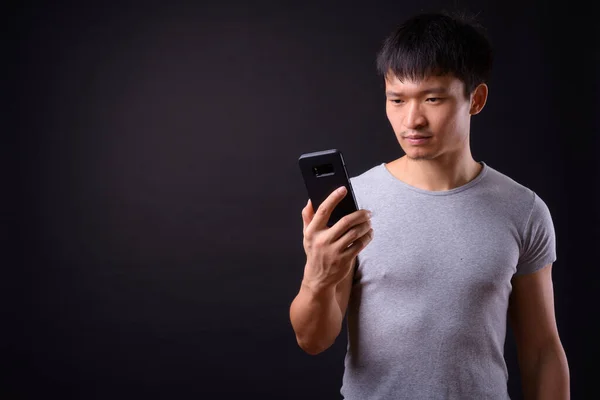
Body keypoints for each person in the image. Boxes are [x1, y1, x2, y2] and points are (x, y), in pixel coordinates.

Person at [289, 10, 570, 400]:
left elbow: (541, 350)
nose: (412, 119)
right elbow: (313, 340)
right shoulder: (354, 201)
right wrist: (317, 277)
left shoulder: (523, 209)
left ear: (476, 99)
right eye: (397, 100)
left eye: (433, 98)